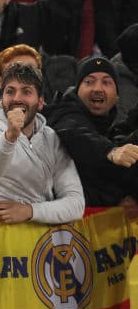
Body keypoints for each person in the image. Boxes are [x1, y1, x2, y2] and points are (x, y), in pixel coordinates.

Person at [0, 63, 84, 224]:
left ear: (40, 102)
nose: (17, 98)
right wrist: (9, 137)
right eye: (10, 91)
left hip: (37, 243)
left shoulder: (51, 138)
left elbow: (76, 204)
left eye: (26, 91)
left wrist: (29, 210)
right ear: (2, 98)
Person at [44, 56, 138, 207]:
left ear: (117, 97)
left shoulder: (109, 129)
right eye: (89, 82)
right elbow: (76, 134)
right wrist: (111, 152)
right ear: (77, 90)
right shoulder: (65, 112)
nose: (97, 88)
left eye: (106, 82)